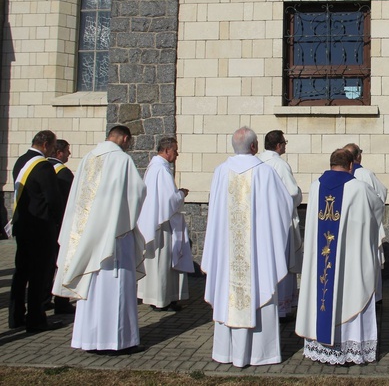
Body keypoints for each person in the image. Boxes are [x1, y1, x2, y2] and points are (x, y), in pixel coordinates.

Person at [201, 126, 292, 367]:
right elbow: (284, 208)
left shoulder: (220, 172)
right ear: (254, 147)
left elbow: (214, 215)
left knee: (227, 294)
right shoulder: (266, 173)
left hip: (228, 256)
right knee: (259, 290)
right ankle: (259, 354)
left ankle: (226, 353)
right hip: (257, 256)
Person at [53, 125, 147, 354]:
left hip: (86, 236)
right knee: (114, 290)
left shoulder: (88, 158)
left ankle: (89, 339)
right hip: (114, 237)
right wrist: (123, 219)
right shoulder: (121, 160)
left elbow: (77, 197)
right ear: (125, 138)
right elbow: (137, 193)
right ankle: (116, 342)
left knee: (90, 288)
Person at [296, 148, 385, 365]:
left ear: (331, 164)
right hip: (348, 261)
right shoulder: (359, 188)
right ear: (351, 166)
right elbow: (377, 209)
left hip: (321, 259)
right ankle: (349, 348)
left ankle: (322, 346)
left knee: (323, 292)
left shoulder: (315, 187)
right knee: (349, 292)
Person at [8, 130, 63, 331]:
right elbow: (53, 198)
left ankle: (15, 316)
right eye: (53, 146)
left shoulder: (20, 161)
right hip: (40, 227)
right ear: (46, 144)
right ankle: (36, 319)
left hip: (22, 225)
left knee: (21, 272)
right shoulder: (43, 166)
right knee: (39, 275)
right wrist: (59, 223)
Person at [137, 137, 194, 312]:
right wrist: (181, 194)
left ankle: (159, 297)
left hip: (155, 221)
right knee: (163, 263)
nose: (177, 154)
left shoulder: (155, 167)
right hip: (162, 225)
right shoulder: (161, 169)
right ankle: (162, 300)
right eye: (175, 151)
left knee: (158, 263)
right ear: (167, 150)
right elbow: (170, 200)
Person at [257, 129, 303, 321]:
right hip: (278, 224)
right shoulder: (279, 164)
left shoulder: (257, 161)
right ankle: (282, 309)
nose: (284, 146)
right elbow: (292, 193)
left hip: (259, 222)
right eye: (284, 142)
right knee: (281, 263)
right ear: (278, 145)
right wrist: (299, 193)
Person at [343, 143, 387, 302]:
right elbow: (381, 196)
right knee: (370, 260)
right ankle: (374, 297)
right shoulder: (366, 174)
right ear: (358, 156)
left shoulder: (339, 175)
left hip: (347, 226)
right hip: (367, 225)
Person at [46, 139, 76, 315]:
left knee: (47, 266)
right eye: (67, 151)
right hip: (61, 225)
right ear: (59, 153)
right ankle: (61, 301)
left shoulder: (44, 167)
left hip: (47, 225)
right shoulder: (64, 174)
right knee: (63, 264)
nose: (69, 154)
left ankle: (44, 298)